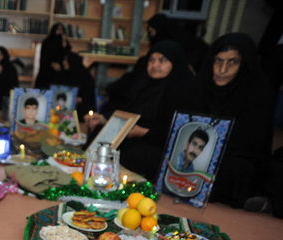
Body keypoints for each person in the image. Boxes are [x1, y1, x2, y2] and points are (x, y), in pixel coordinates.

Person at [188, 33, 275, 210]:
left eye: (232, 62)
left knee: (237, 171)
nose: (222, 69)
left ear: (244, 65)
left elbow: (253, 146)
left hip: (233, 157)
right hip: (199, 152)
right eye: (218, 61)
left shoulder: (259, 92)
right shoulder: (201, 86)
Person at [86, 40, 194, 181]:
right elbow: (127, 111)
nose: (155, 65)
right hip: (132, 135)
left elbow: (177, 131)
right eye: (151, 60)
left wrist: (143, 132)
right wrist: (105, 119)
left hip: (158, 144)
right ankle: (93, 175)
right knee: (99, 134)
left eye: (162, 61)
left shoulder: (182, 91)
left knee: (135, 154)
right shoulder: (143, 84)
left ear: (175, 64)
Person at [34, 23, 96, 117]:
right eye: (57, 29)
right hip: (48, 74)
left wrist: (64, 44)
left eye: (62, 30)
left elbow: (68, 56)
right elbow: (45, 60)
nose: (60, 32)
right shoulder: (47, 42)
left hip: (64, 73)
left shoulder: (80, 73)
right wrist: (52, 64)